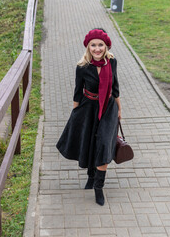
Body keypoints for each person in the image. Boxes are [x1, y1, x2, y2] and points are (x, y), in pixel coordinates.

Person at [56, 28, 122, 206]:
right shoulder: (82, 67)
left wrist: (119, 110)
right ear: (88, 47)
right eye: (93, 45)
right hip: (88, 108)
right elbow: (77, 93)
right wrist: (75, 115)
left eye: (101, 45)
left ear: (106, 46)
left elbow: (115, 88)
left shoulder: (112, 62)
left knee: (103, 144)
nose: (97, 49)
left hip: (108, 109)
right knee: (90, 142)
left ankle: (98, 187)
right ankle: (91, 176)